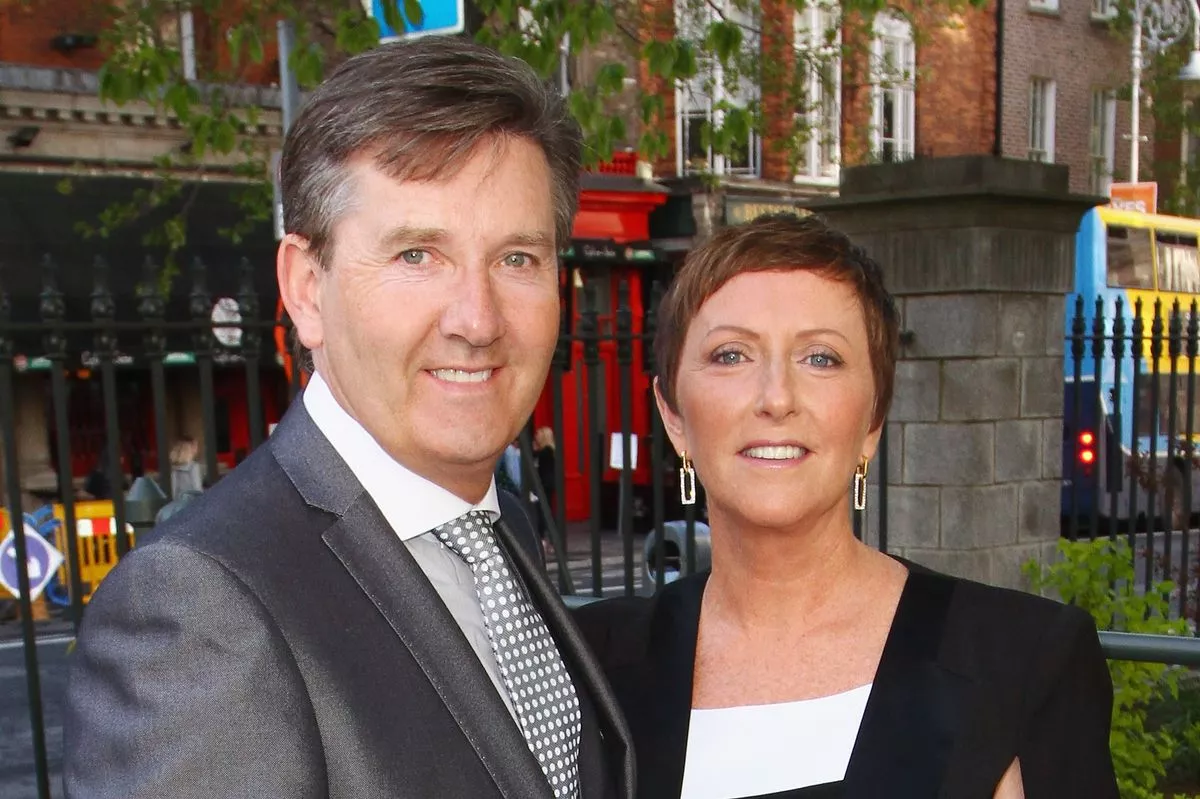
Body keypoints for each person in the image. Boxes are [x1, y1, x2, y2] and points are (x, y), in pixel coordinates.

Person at [63, 37, 633, 799]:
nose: (477, 319)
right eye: (416, 255)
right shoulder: (198, 608)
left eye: (517, 259)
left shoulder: (501, 531)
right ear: (305, 287)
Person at [574, 213, 1118, 799]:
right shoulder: (590, 665)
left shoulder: (1022, 663)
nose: (776, 398)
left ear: (873, 420)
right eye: (731, 355)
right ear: (673, 415)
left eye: (821, 358)